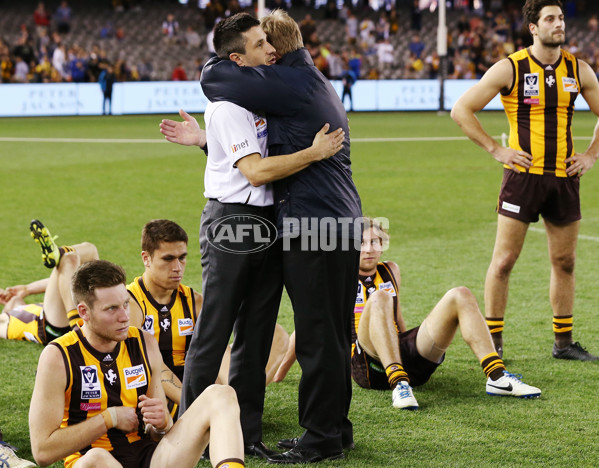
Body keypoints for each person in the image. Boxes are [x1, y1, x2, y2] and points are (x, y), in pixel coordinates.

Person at [160, 13, 347, 461]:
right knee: (215, 330)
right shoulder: (228, 105)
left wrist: (207, 143)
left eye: (270, 42)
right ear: (237, 59)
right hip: (232, 222)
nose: (271, 51)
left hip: (267, 224)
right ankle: (195, 433)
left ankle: (243, 433)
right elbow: (256, 171)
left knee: (255, 333)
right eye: (260, 45)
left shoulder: (258, 100)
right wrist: (314, 153)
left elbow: (244, 155)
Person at [451, 0, 599, 361]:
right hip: (522, 179)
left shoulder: (579, 70)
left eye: (561, 17)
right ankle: (494, 345)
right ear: (534, 27)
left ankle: (563, 344)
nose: (558, 24)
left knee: (565, 262)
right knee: (503, 262)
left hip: (564, 178)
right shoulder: (511, 68)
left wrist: (591, 154)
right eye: (550, 18)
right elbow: (461, 109)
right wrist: (495, 150)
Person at [274, 219, 541, 416]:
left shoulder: (391, 270)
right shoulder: (337, 276)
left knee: (460, 294)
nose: (368, 249)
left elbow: (398, 319)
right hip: (368, 366)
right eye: (361, 243)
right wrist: (281, 372)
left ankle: (497, 376)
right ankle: (399, 385)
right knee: (379, 298)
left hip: (402, 355)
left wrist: (407, 342)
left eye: (375, 242)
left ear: (383, 245)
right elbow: (309, 324)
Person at [28, 259, 245, 468]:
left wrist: (161, 424)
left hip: (150, 457)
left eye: (125, 304)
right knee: (96, 458)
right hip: (94, 462)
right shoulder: (58, 356)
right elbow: (43, 452)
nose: (124, 316)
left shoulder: (144, 342)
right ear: (84, 312)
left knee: (221, 394)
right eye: (112, 309)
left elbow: (157, 431)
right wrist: (108, 419)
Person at [127, 219, 290, 422]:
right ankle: (219, 409)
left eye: (182, 258)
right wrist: (196, 402)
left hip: (194, 381)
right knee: (150, 365)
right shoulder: (131, 303)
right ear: (147, 258)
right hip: (155, 390)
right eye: (168, 259)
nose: (177, 267)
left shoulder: (193, 301)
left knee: (276, 335)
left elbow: (220, 349)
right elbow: (145, 365)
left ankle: (232, 400)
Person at [0, 220, 99, 344]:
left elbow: (65, 281)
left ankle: (59, 252)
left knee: (89, 249)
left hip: (57, 316)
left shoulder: (18, 305)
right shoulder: (3, 320)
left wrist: (27, 289)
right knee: (69, 260)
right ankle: (76, 327)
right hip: (49, 327)